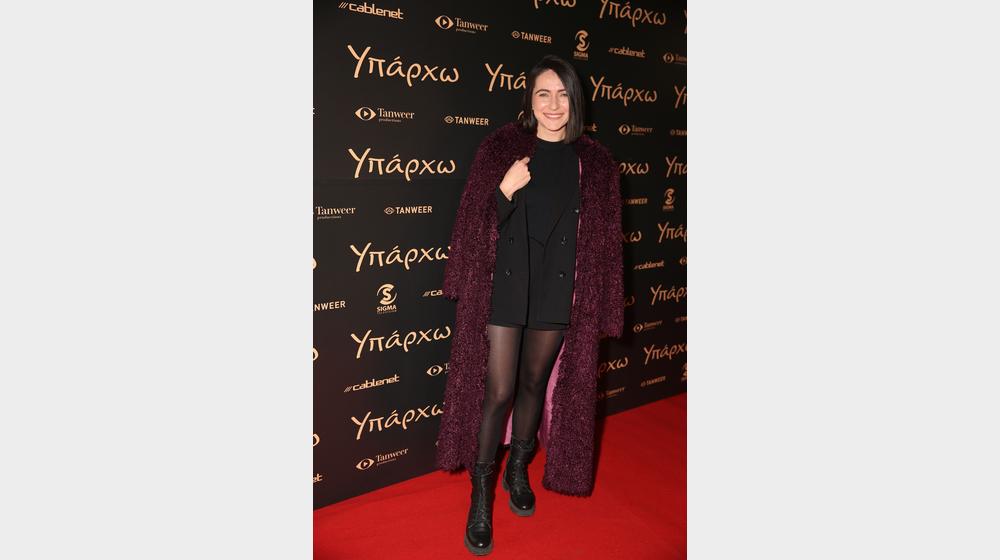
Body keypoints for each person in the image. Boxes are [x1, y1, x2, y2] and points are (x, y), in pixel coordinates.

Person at [435, 54, 624, 556]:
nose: (554, 105)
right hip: (506, 287)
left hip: (557, 290)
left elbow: (605, 246)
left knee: (535, 384)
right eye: (544, 94)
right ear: (529, 100)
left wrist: (601, 305)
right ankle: (481, 493)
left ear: (575, 102)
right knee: (498, 390)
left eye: (563, 94)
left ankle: (517, 467)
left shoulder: (596, 165)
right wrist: (503, 190)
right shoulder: (501, 149)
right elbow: (471, 227)